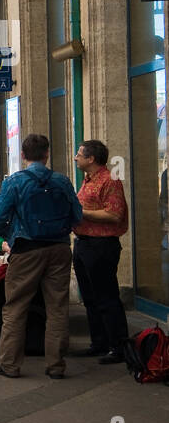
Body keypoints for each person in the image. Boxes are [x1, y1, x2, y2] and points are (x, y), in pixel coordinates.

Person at [0, 133, 83, 379]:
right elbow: (77, 215)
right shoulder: (62, 181)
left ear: (23, 155)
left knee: (16, 306)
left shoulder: (15, 182)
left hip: (27, 249)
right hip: (60, 249)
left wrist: (6, 235)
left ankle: (9, 364)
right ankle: (56, 366)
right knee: (57, 307)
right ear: (47, 154)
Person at [72, 140, 129, 363]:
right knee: (90, 297)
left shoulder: (110, 180)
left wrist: (81, 212)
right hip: (84, 243)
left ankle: (119, 346)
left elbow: (114, 215)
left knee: (106, 297)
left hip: (101, 246)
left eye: (79, 154)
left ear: (91, 158)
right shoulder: (87, 180)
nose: (75, 158)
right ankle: (99, 342)